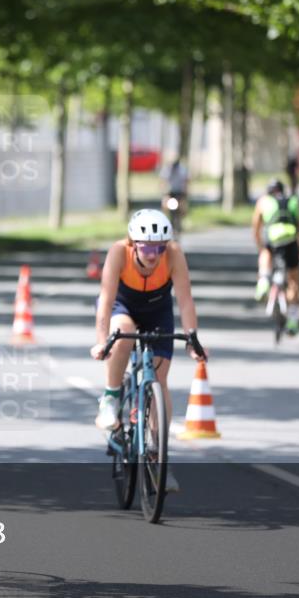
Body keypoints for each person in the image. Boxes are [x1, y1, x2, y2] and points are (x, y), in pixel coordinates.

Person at [91, 209, 207, 493]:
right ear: (133, 244)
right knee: (123, 337)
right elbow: (106, 300)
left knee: (159, 379)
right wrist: (101, 340)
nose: (153, 254)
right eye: (146, 247)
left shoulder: (174, 255)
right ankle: (111, 397)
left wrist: (192, 339)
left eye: (159, 247)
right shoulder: (118, 252)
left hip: (158, 311)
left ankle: (158, 459)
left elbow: (185, 300)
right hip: (123, 307)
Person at [253, 178, 299, 334]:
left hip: (274, 240)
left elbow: (256, 228)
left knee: (265, 252)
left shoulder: (263, 201)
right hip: (291, 241)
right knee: (294, 282)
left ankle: (263, 281)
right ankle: (293, 321)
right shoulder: (294, 201)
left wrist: (260, 246)